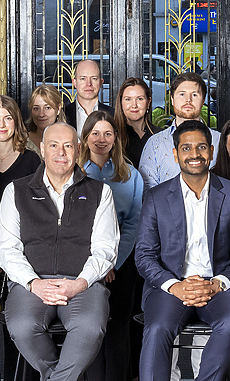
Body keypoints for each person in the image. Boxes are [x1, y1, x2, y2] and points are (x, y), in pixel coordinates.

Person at [0, 123, 119, 381]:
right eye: (53, 145)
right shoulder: (16, 191)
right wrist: (33, 283)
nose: (60, 152)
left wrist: (80, 283)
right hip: (32, 283)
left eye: (67, 146)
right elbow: (8, 249)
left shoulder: (100, 192)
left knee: (89, 327)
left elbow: (105, 249)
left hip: (82, 283)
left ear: (78, 150)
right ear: (42, 149)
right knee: (21, 326)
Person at [134, 120, 230, 381]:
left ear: (211, 151)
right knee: (157, 328)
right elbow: (144, 256)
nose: (194, 154)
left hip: (220, 287)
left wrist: (217, 284)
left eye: (201, 147)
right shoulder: (156, 197)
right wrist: (174, 286)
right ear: (176, 154)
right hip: (171, 287)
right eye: (186, 148)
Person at [78, 111, 147, 381]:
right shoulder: (75, 174)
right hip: (84, 264)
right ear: (85, 138)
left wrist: (113, 262)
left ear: (116, 138)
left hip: (122, 263)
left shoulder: (131, 175)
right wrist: (98, 264)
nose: (101, 139)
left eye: (107, 133)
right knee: (91, 328)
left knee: (119, 326)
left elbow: (135, 222)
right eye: (95, 133)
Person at [139, 72, 221, 188]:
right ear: (172, 99)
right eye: (182, 94)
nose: (188, 100)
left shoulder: (220, 141)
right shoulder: (155, 143)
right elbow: (147, 190)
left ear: (203, 101)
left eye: (194, 95)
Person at [0, 95, 44, 203]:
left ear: (16, 122)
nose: (1, 125)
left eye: (8, 118)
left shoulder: (32, 160)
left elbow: (38, 204)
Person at [115, 77, 154, 169]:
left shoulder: (159, 136)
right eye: (128, 99)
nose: (134, 105)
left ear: (148, 102)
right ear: (121, 103)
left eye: (140, 99)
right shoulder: (113, 136)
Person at [67, 60, 114, 134]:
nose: (89, 84)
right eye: (83, 78)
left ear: (101, 83)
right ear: (74, 83)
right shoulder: (63, 115)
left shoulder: (113, 115)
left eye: (94, 78)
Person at [27, 84, 68, 150]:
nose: (41, 114)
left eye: (47, 108)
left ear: (58, 109)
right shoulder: (21, 142)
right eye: (36, 108)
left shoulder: (70, 140)